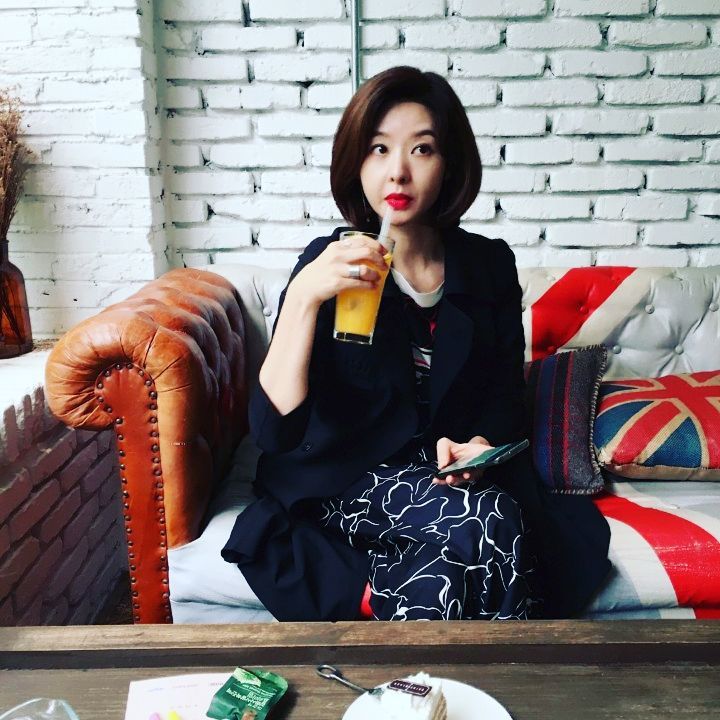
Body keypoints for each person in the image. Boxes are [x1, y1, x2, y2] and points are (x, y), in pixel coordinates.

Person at [222, 66, 611, 621]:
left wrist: (480, 445)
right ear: (356, 162)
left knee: (467, 545)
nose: (398, 172)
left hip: (445, 477)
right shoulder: (330, 262)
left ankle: (417, 671)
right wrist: (305, 297)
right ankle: (507, 673)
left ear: (449, 163)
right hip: (346, 475)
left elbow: (504, 397)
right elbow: (273, 431)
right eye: (379, 149)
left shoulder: (487, 265)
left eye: (421, 149)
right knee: (487, 522)